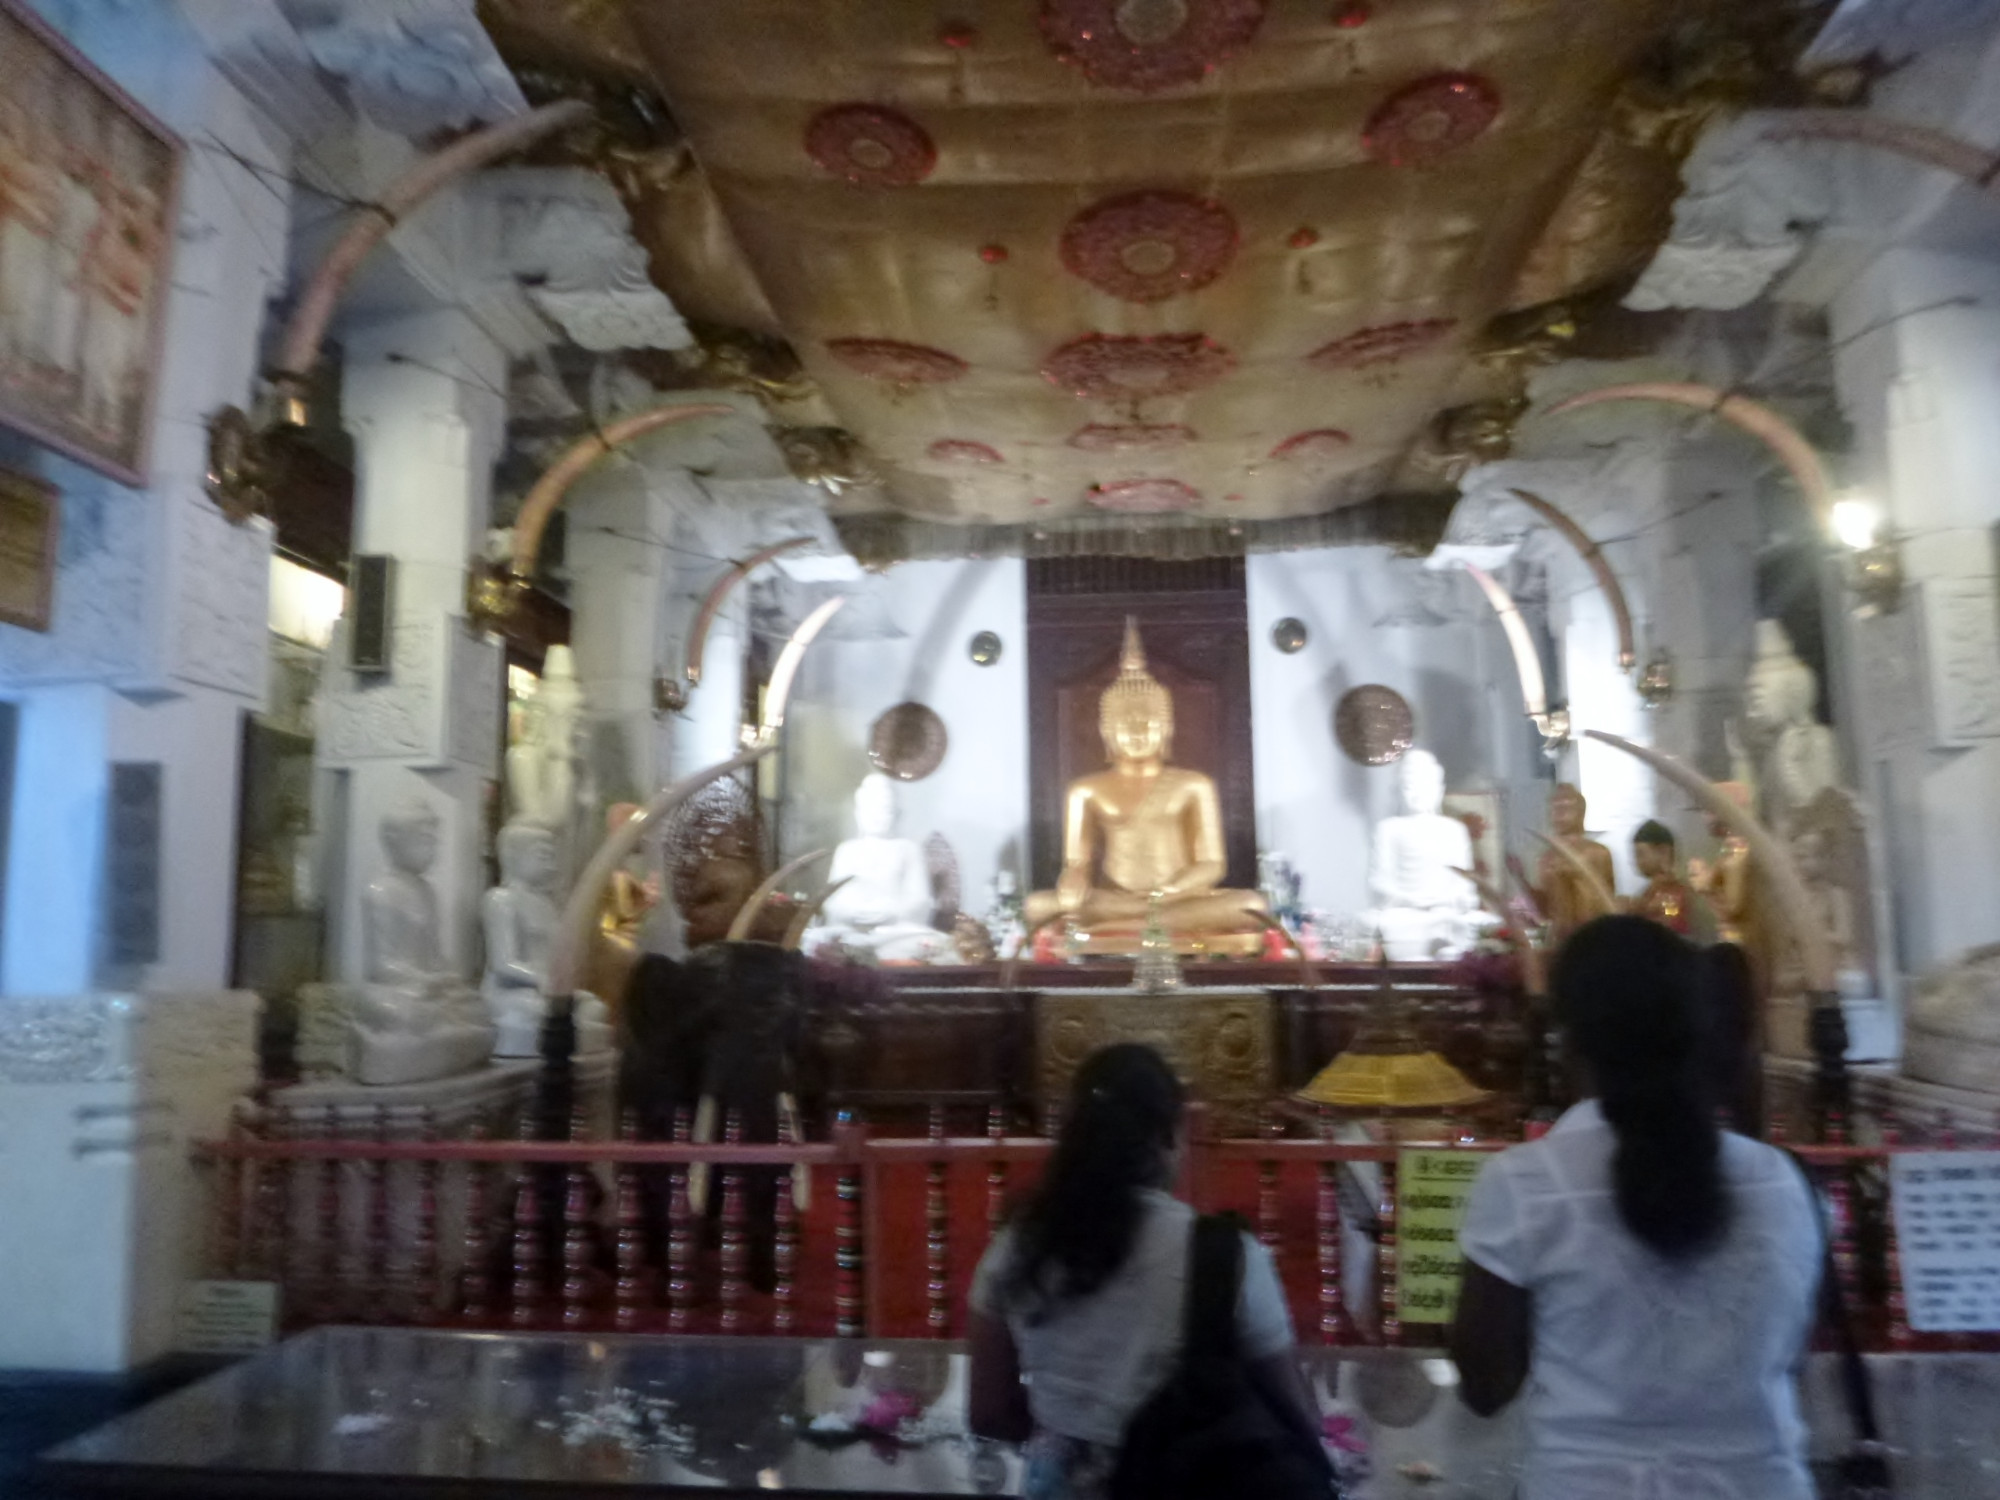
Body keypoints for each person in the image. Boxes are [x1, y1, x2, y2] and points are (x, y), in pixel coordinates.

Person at [1450, 916, 1822, 1500]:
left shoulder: (1524, 1183)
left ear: (1569, 1039)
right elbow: (1791, 1354)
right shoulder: (1779, 1180)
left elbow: (1485, 1387)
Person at [968, 1044, 1314, 1499]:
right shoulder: (1226, 1254)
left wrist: (1069, 1433)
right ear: (1169, 1136)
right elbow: (1295, 1413)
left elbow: (990, 1413)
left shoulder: (1017, 1247)